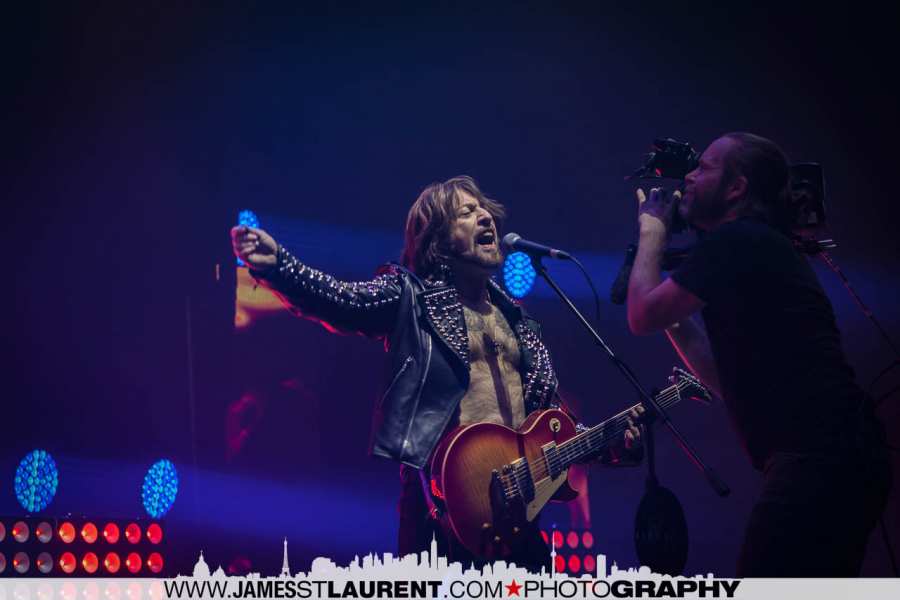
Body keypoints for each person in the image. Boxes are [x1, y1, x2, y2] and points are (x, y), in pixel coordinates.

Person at [231, 176, 642, 572]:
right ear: (440, 240)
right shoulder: (413, 299)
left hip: (519, 522)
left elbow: (553, 423)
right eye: (467, 212)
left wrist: (612, 445)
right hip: (442, 515)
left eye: (484, 210)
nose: (485, 217)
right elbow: (344, 301)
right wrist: (280, 266)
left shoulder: (520, 324)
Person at [626, 132, 891, 576]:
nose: (688, 177)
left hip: (816, 457)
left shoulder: (738, 240)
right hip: (839, 456)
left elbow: (639, 316)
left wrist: (652, 233)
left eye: (704, 168)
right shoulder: (751, 245)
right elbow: (724, 378)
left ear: (736, 188)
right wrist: (672, 315)